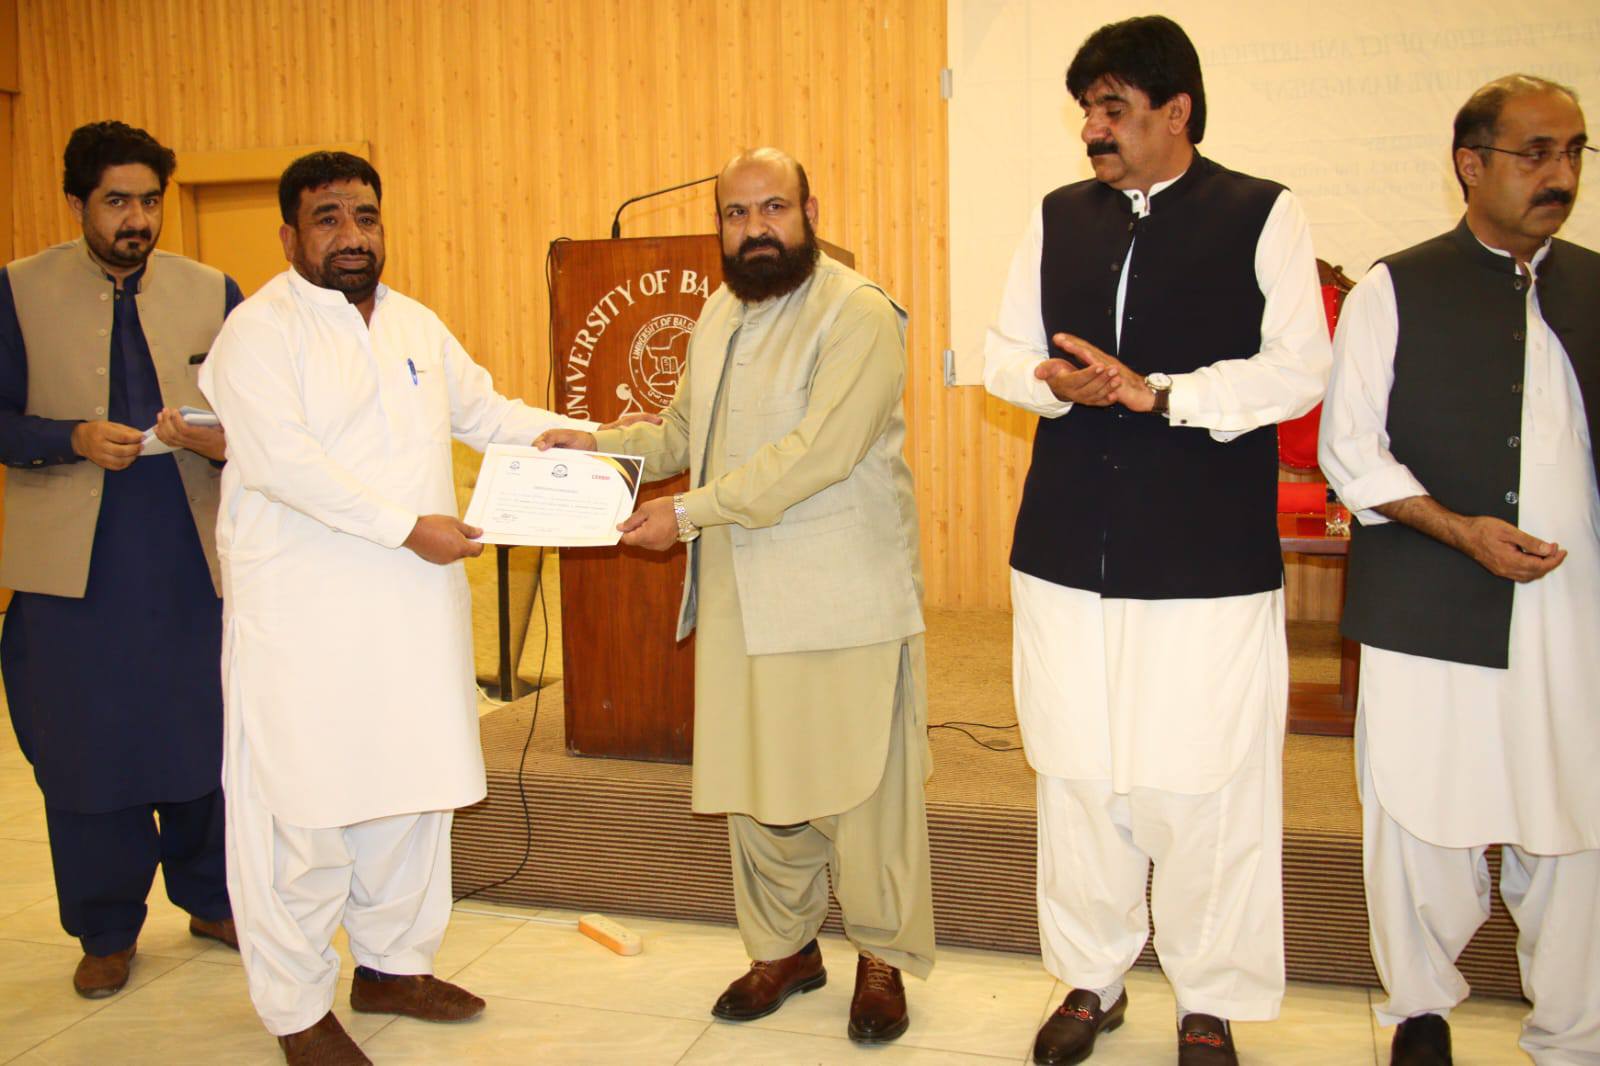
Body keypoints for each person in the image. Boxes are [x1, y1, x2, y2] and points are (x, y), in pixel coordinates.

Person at [982, 17, 1330, 1066]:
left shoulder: (1262, 212)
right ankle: (1090, 977)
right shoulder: (1058, 216)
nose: (1093, 129)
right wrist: (1047, 380)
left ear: (1177, 111)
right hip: (1066, 552)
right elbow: (1001, 352)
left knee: (1202, 782)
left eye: (1114, 109)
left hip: (1203, 558)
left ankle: (1207, 997)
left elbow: (1299, 368)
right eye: (1087, 110)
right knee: (1077, 772)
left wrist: (1164, 394)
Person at [200, 151, 596, 1066]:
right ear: (289, 235)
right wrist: (405, 527)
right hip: (304, 619)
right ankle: (298, 1010)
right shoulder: (256, 334)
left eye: (366, 216)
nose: (352, 235)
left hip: (411, 612)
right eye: (328, 217)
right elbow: (284, 465)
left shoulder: (415, 323)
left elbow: (483, 411)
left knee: (413, 798)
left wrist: (565, 435)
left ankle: (392, 965)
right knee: (302, 814)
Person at [537, 147, 933, 1045]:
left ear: (810, 212)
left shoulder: (859, 313)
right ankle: (785, 949)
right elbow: (684, 432)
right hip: (739, 589)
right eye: (736, 213)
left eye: (773, 208)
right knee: (758, 787)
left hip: (840, 592)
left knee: (862, 786)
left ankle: (882, 956)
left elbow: (819, 454)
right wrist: (598, 443)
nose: (755, 229)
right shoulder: (719, 312)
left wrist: (686, 514)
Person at [1319, 74, 1600, 1066]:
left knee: (1574, 817)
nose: (1559, 174)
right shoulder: (1394, 289)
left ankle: (1573, 1034)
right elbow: (1349, 449)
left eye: (1574, 152)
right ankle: (1419, 1015)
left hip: (1573, 614)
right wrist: (1460, 531)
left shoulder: (1596, 287)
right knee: (1418, 811)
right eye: (1536, 153)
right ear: (1470, 164)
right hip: (1428, 600)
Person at [0, 120, 240, 999]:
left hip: (192, 566)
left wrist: (222, 441)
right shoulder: (17, 291)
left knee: (206, 737)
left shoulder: (214, 291)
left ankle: (215, 899)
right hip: (74, 578)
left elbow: (268, 417)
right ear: (76, 203)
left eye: (149, 201)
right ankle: (105, 929)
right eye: (116, 202)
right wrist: (66, 437)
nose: (136, 219)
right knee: (86, 750)